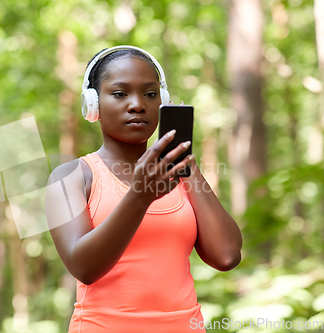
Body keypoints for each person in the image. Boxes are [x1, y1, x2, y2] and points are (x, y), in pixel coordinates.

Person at [45, 45, 242, 333]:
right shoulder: (71, 177)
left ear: (162, 101)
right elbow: (84, 267)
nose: (137, 104)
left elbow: (226, 256)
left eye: (150, 94)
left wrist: (183, 159)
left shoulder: (179, 175)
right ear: (93, 104)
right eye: (120, 93)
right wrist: (139, 197)